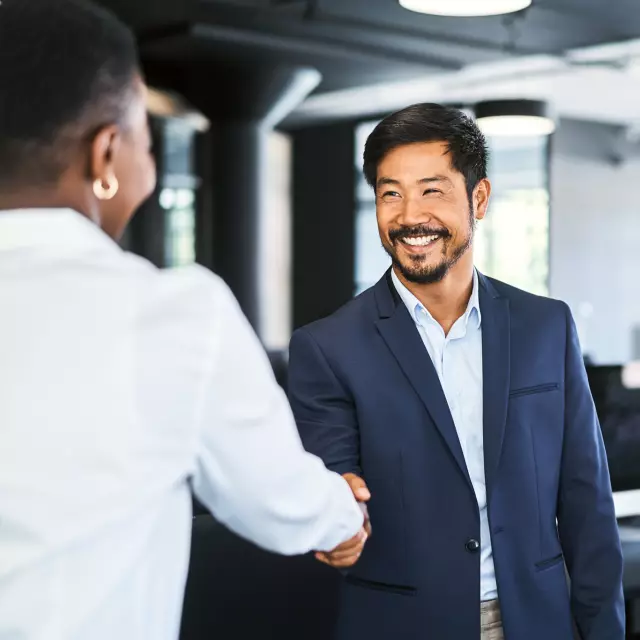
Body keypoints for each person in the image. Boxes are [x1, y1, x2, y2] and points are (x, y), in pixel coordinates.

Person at [0, 1, 369, 638]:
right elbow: (279, 502)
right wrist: (345, 516)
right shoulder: (170, 315)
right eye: (145, 128)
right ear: (106, 153)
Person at [288, 103, 624, 640]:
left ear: (480, 199)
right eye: (389, 193)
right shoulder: (326, 348)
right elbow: (331, 492)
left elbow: (587, 505)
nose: (408, 216)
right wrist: (335, 520)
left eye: (432, 190)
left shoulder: (546, 327)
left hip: (536, 622)